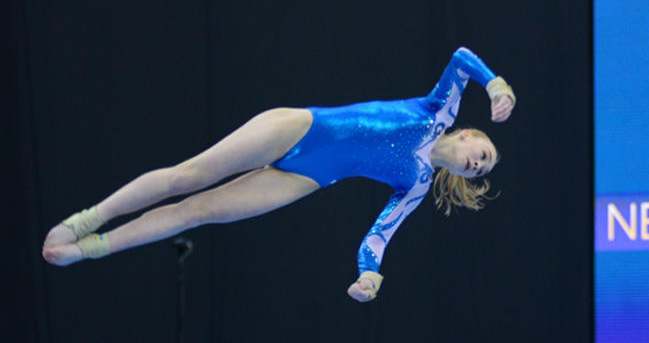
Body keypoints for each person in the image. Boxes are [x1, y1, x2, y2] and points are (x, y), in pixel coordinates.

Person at [41, 47, 515, 302]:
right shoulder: (440, 109)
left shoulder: (416, 185)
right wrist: (496, 84)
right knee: (188, 176)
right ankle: (89, 218)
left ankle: (90, 249)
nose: (479, 164)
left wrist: (369, 276)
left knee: (196, 212)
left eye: (483, 170)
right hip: (298, 127)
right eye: (485, 153)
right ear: (471, 134)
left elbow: (378, 237)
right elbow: (460, 57)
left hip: (306, 178)